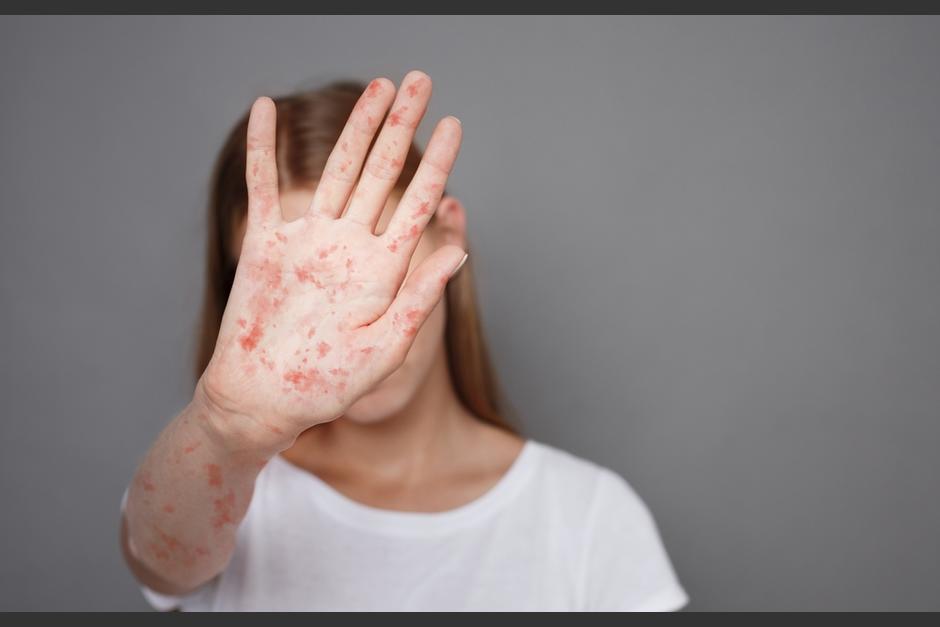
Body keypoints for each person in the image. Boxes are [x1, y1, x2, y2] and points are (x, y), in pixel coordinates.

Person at [119, 70, 689, 612]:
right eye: (288, 283)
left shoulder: (589, 518)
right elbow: (160, 559)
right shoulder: (217, 487)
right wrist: (223, 423)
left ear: (450, 230)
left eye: (375, 250)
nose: (343, 321)